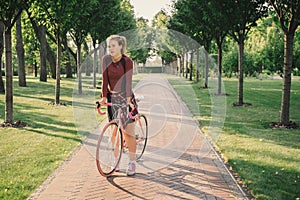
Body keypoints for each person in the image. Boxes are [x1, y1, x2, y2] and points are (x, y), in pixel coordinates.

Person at [100, 35, 136, 176]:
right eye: (109, 46)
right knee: (114, 131)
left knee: (128, 133)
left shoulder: (127, 61)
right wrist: (103, 97)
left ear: (120, 46)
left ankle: (132, 163)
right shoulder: (106, 60)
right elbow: (104, 79)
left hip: (125, 96)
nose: (110, 49)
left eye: (113, 46)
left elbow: (128, 81)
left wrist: (128, 100)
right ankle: (116, 160)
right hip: (112, 97)